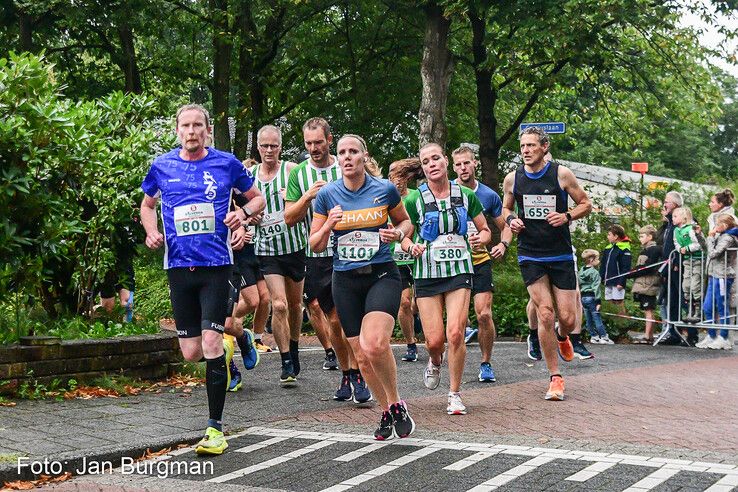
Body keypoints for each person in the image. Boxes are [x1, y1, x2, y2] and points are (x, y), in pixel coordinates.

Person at [140, 104, 265, 455]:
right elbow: (147, 205)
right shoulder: (162, 167)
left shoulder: (226, 164)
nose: (192, 131)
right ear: (177, 130)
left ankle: (215, 429)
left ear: (207, 130)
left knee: (208, 345)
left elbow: (259, 199)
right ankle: (230, 344)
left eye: (198, 125)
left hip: (217, 267)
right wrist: (151, 231)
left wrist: (241, 214)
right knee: (191, 351)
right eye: (186, 125)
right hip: (179, 269)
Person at [310, 134, 415, 440]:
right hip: (344, 280)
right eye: (341, 152)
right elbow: (315, 245)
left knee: (375, 344)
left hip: (381, 274)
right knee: (361, 354)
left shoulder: (383, 189)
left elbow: (405, 223)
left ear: (363, 156)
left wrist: (397, 234)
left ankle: (396, 401)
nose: (346, 157)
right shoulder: (328, 195)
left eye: (353, 151)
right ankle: (387, 411)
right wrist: (329, 224)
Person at [502, 126, 591, 401]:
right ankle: (555, 377)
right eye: (522, 147)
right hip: (530, 254)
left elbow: (586, 203)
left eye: (531, 146)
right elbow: (505, 209)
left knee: (567, 318)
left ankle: (563, 337)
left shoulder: (561, 174)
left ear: (544, 147)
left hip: (560, 254)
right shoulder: (512, 179)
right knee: (545, 313)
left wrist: (567, 216)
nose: (526, 151)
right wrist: (510, 220)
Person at [402, 142, 491, 415]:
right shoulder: (414, 200)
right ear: (423, 168)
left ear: (445, 162)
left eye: (436, 158)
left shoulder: (466, 195)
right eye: (426, 161)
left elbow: (485, 229)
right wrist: (409, 246)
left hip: (459, 270)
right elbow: (402, 235)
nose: (432, 164)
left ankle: (454, 393)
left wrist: (480, 239)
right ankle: (434, 360)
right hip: (427, 273)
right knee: (434, 341)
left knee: (455, 333)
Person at [285, 118, 368, 403]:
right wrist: (308, 197)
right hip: (318, 255)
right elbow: (289, 218)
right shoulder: (298, 174)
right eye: (308, 144)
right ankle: (347, 372)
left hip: (350, 251)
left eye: (318, 143)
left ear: (329, 140)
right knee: (333, 319)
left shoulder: (344, 164)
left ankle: (357, 372)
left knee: (346, 317)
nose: (313, 148)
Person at [251, 125, 310, 386]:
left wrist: (295, 200)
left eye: (273, 145)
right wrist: (248, 217)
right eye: (264, 145)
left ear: (281, 147)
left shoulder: (291, 171)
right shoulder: (250, 175)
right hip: (267, 250)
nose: (269, 150)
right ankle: (286, 360)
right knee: (279, 304)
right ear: (258, 147)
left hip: (295, 247)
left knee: (296, 305)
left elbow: (307, 203)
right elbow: (240, 205)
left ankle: (294, 347)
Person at [451, 145, 512, 382]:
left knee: (484, 314)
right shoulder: (446, 191)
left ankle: (486, 363)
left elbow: (504, 226)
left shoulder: (488, 195)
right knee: (458, 320)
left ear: (474, 163)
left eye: (467, 163)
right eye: (458, 164)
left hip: (479, 260)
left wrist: (502, 245)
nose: (463, 168)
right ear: (453, 167)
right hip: (453, 263)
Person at [389, 158, 425, 362]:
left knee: (417, 302)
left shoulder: (416, 197)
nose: (397, 180)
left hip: (417, 254)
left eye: (401, 176)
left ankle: (417, 315)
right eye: (393, 176)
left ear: (407, 178)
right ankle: (411, 344)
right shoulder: (385, 198)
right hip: (397, 258)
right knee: (403, 303)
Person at [699, 213, 738, 349]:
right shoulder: (720, 235)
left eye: (717, 224)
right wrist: (701, 235)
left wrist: (711, 237)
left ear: (724, 226)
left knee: (722, 306)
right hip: (713, 275)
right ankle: (711, 335)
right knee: (707, 306)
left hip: (723, 276)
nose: (714, 227)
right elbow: (707, 248)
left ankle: (724, 337)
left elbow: (713, 253)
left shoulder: (728, 237)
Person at [656, 191, 687, 345]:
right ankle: (674, 333)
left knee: (684, 299)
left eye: (666, 201)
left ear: (675, 204)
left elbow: (683, 245)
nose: (664, 204)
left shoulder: (683, 221)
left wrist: (676, 262)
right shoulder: (669, 222)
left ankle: (692, 333)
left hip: (679, 266)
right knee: (672, 300)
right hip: (668, 265)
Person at [628, 225, 662, 343]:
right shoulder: (645, 250)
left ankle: (647, 336)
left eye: (642, 236)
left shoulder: (655, 250)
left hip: (649, 283)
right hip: (642, 284)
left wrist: (631, 273)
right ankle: (649, 335)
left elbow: (648, 268)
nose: (640, 238)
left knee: (649, 310)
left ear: (650, 236)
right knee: (646, 310)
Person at [673, 206, 704, 325]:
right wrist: (679, 249)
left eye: (675, 216)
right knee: (685, 286)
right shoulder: (676, 231)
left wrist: (687, 248)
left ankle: (698, 312)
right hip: (687, 261)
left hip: (697, 259)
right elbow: (676, 242)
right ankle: (689, 311)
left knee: (695, 286)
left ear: (684, 217)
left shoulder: (691, 228)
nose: (673, 218)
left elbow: (698, 244)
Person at [578, 250, 611, 344]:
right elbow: (596, 288)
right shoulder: (594, 272)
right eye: (597, 259)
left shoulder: (581, 271)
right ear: (591, 259)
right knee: (596, 318)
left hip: (583, 298)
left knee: (588, 319)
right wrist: (598, 301)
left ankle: (594, 336)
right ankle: (604, 337)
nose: (599, 260)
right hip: (592, 298)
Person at [600, 224, 631, 318]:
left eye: (609, 234)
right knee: (610, 302)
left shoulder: (624, 249)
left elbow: (626, 268)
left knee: (618, 302)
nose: (607, 236)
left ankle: (622, 322)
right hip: (607, 280)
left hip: (617, 282)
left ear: (616, 236)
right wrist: (601, 277)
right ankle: (612, 322)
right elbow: (603, 264)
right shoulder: (608, 248)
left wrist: (621, 282)